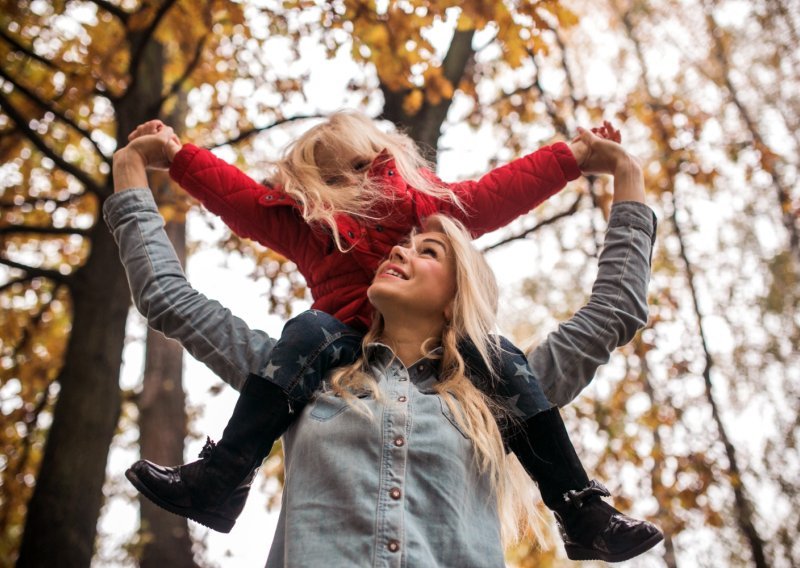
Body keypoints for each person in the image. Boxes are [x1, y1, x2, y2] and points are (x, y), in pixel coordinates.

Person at [110, 115, 662, 562]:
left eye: (429, 251)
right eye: (403, 248)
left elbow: (612, 310)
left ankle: (578, 506)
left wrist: (613, 172)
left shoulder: (500, 389)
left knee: (501, 353)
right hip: (323, 353)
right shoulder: (293, 377)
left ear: (458, 287)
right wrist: (148, 165)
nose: (402, 249)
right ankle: (223, 476)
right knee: (304, 330)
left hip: (480, 370)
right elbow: (170, 294)